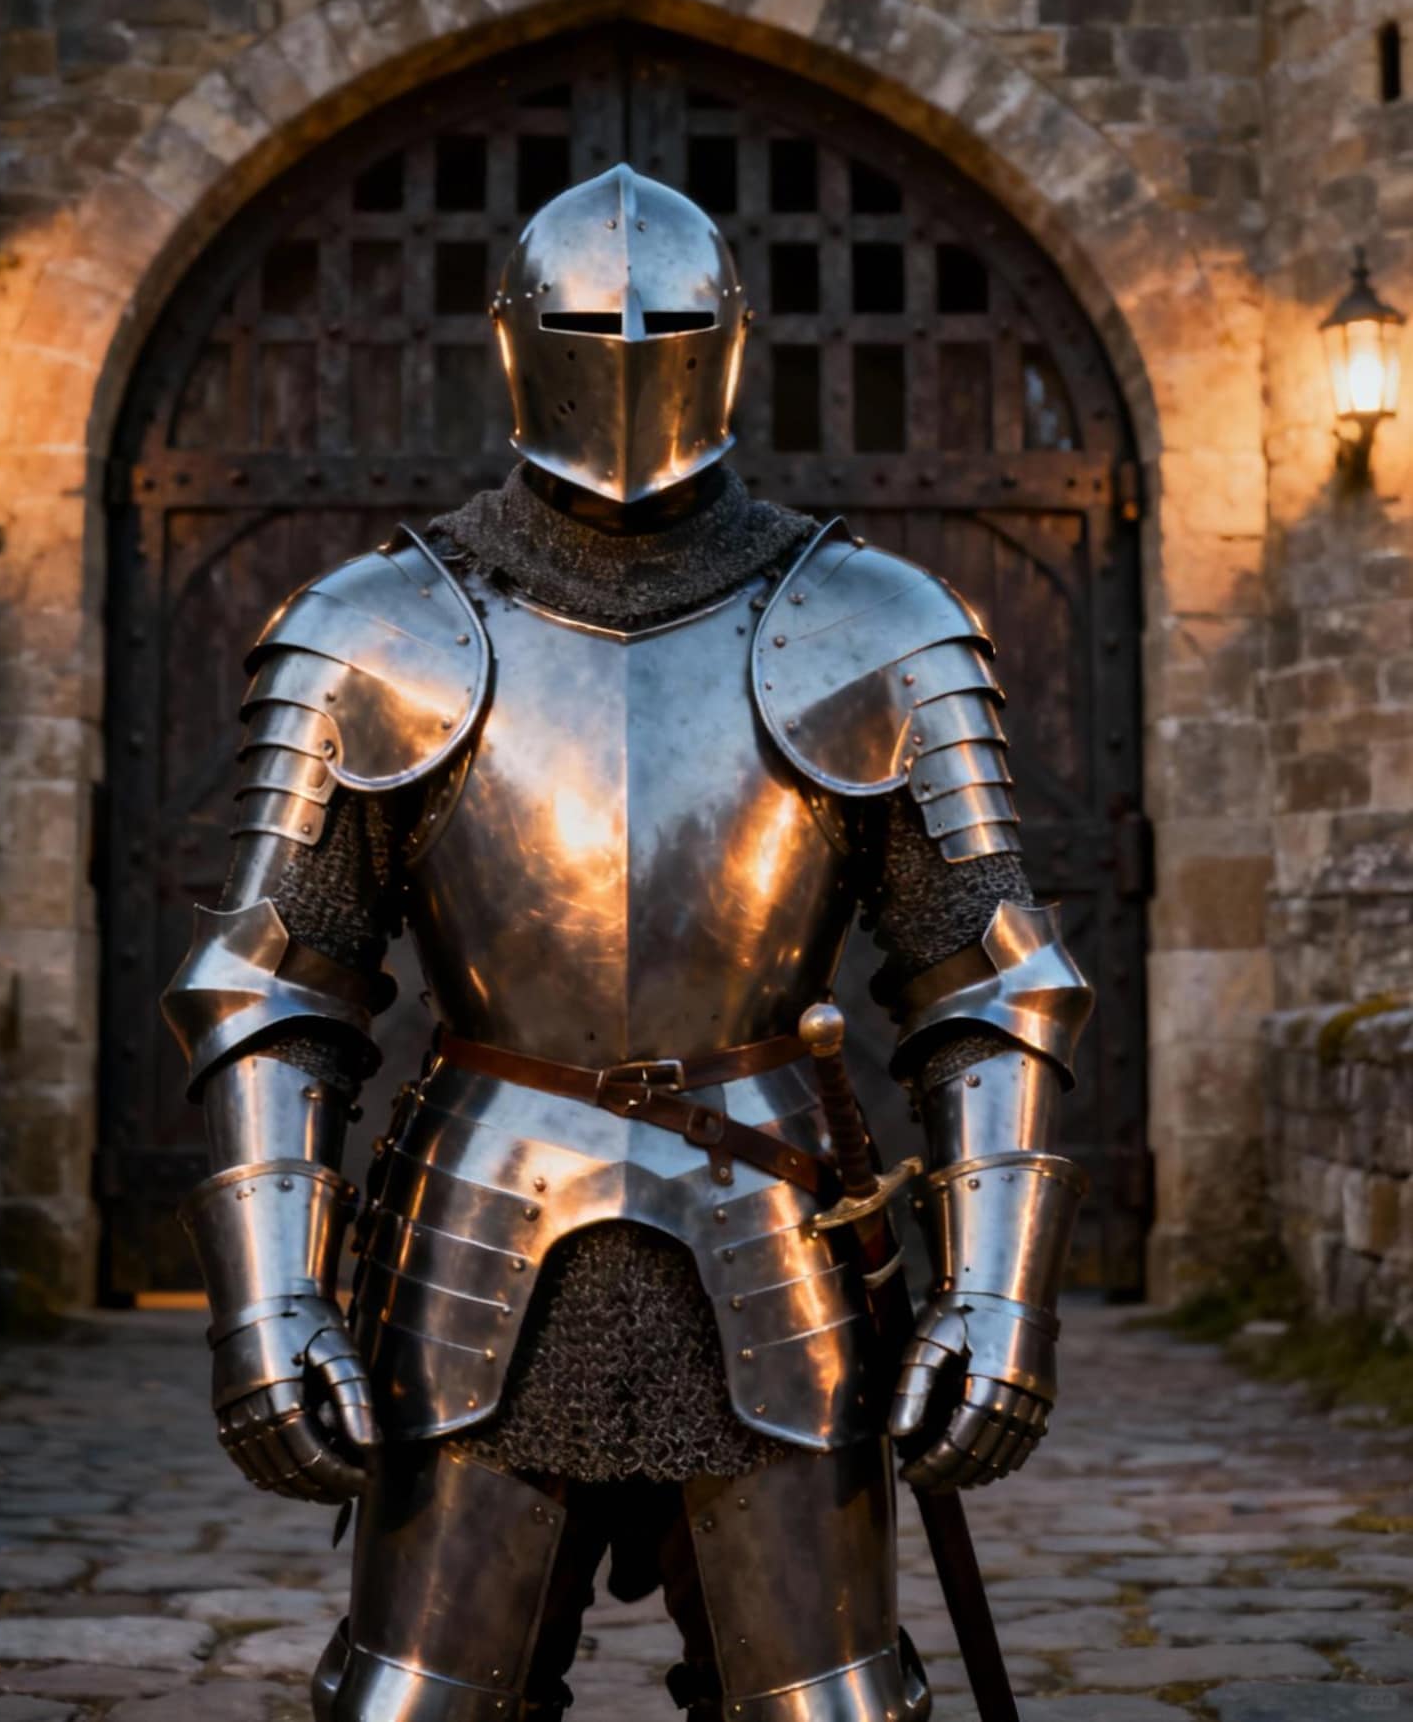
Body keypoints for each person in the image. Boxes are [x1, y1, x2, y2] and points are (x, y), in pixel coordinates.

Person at [163, 165, 1091, 1722]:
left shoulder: (876, 622)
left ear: (726, 339)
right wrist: (271, 1297)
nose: (632, 350)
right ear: (523, 339)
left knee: (826, 1705)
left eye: (665, 321)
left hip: (780, 1231)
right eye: (597, 320)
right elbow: (275, 978)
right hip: (470, 1230)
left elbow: (990, 978)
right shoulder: (378, 628)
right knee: (419, 1704)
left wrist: (999, 1295)